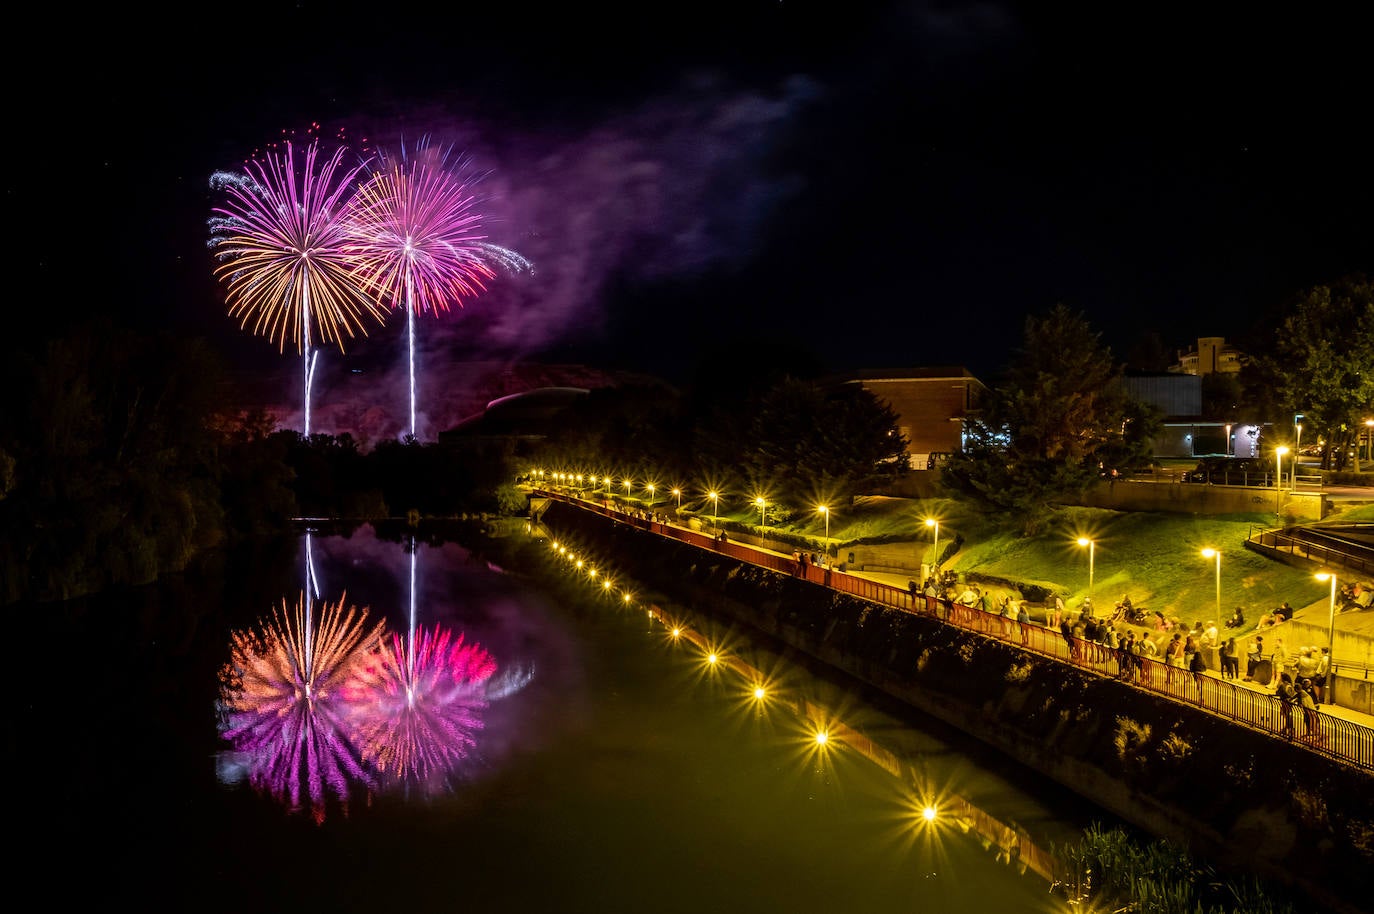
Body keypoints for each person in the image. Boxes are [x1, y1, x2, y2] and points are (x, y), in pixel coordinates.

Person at [1275, 673, 1297, 739]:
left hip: (1285, 702)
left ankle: (1290, 730)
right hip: (1290, 702)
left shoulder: (1283, 685)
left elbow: (1278, 693)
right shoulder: (1290, 685)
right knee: (1288, 715)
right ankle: (1287, 729)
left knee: (1287, 716)